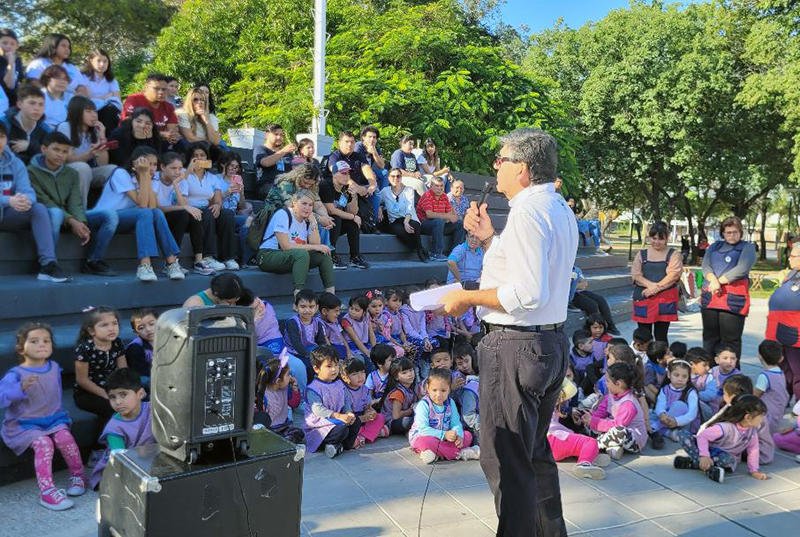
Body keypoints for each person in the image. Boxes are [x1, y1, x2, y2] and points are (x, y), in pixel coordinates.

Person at [439, 128, 577, 536]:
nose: (495, 167)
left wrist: (467, 298)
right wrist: (488, 241)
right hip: (547, 341)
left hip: (517, 344)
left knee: (505, 459)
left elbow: (526, 292)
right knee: (532, 453)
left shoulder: (529, 212)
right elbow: (528, 270)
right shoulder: (555, 206)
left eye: (501, 160)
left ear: (522, 168)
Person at [0, 322, 86, 510]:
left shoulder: (54, 367)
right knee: (44, 444)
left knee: (65, 438)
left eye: (46, 341)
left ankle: (78, 475)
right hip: (24, 424)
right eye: (35, 341)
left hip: (52, 418)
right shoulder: (16, 374)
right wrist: (20, 387)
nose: (42, 344)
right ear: (20, 348)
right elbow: (2, 398)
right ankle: (46, 492)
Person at [92, 146, 186, 281]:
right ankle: (145, 265)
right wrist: (144, 175)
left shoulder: (151, 178)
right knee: (145, 213)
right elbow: (142, 204)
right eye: (148, 163)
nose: (152, 168)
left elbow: (152, 206)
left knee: (156, 213)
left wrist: (145, 177)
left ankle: (171, 263)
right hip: (105, 217)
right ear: (136, 162)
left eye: (154, 164)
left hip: (127, 218)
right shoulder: (121, 173)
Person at [28, 131, 114, 277]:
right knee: (55, 214)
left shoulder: (71, 173)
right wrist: (71, 220)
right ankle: (48, 265)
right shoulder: (31, 172)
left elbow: (75, 202)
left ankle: (93, 260)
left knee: (110, 215)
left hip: (69, 218)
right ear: (43, 149)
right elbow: (43, 201)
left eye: (65, 151)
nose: (61, 155)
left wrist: (80, 221)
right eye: (56, 149)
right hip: (48, 216)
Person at [1, 125, 68, 282]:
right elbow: (9, 200)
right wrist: (8, 200)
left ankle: (48, 265)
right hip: (7, 205)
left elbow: (27, 190)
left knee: (37, 208)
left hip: (9, 214)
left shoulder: (15, 163)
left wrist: (25, 200)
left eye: (2, 136)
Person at [674, 394, 768, 483]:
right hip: (706, 450)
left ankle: (694, 463)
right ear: (748, 417)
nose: (762, 419)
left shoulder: (752, 432)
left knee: (729, 460)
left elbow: (753, 450)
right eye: (761, 416)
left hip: (723, 456)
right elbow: (703, 436)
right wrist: (704, 455)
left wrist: (754, 470)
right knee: (683, 434)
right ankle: (708, 468)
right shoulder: (725, 427)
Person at [257, 190, 336, 294]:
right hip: (268, 255)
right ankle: (298, 298)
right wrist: (314, 247)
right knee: (302, 254)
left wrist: (313, 222)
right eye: (304, 203)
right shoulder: (283, 214)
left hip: (290, 257)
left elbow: (316, 244)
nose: (307, 208)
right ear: (294, 203)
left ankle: (331, 296)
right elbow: (286, 246)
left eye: (310, 205)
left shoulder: (307, 220)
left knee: (324, 253)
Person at [88, 368, 155, 490]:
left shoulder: (152, 409)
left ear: (140, 394)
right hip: (118, 467)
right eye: (112, 397)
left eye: (123, 395)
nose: (118, 402)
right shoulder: (114, 428)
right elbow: (121, 459)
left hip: (146, 460)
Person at [701, 216, 756, 363]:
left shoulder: (747, 248)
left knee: (730, 340)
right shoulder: (714, 247)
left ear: (741, 232)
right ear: (723, 233)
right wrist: (713, 280)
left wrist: (718, 282)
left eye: (735, 232)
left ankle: (732, 377)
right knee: (710, 338)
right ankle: (710, 372)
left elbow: (742, 269)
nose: (732, 235)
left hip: (732, 300)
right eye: (728, 232)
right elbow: (705, 266)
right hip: (711, 298)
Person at [155, 152, 215, 275]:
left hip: (175, 215)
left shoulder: (181, 180)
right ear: (162, 167)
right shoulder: (155, 179)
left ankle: (199, 261)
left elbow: (183, 204)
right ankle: (172, 262)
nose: (177, 172)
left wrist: (176, 184)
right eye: (173, 168)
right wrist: (183, 207)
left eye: (179, 168)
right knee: (184, 213)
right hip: (158, 215)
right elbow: (156, 208)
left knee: (192, 214)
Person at [183, 142, 239, 270]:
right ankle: (208, 257)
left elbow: (217, 198)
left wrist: (218, 205)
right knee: (207, 213)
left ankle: (228, 257)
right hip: (189, 211)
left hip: (205, 210)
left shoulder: (213, 178)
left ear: (207, 159)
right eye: (195, 155)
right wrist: (188, 171)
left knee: (227, 214)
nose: (199, 158)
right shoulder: (183, 173)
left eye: (202, 155)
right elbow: (177, 192)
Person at [409, 367, 480, 463]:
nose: (438, 395)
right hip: (426, 436)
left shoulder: (450, 403)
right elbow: (423, 429)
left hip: (446, 438)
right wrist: (444, 434)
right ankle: (461, 453)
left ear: (449, 389)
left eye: (443, 391)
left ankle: (435, 453)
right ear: (427, 388)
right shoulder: (423, 405)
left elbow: (456, 423)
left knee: (467, 435)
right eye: (434, 390)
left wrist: (459, 435)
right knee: (425, 442)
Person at [303, 345, 363, 458]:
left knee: (356, 421)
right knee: (342, 430)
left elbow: (346, 399)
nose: (334, 369)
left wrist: (348, 411)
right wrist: (339, 416)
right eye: (329, 366)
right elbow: (318, 409)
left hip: (337, 420)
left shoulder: (339, 383)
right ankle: (332, 444)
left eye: (336, 365)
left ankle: (342, 446)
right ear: (316, 368)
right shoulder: (313, 388)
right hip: (320, 426)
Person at [56, 95, 116, 208]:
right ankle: (79, 213)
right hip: (65, 171)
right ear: (76, 113)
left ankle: (110, 208)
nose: (94, 115)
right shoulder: (65, 127)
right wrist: (89, 155)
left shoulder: (93, 131)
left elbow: (103, 164)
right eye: (88, 111)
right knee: (83, 167)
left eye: (95, 111)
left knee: (113, 170)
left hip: (88, 172)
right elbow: (67, 159)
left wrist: (102, 136)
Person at [73, 307, 126, 427]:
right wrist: (104, 393)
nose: (111, 328)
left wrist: (125, 389)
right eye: (104, 325)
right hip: (88, 393)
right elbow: (82, 380)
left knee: (133, 402)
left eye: (114, 323)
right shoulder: (85, 349)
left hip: (112, 388)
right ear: (92, 331)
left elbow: (123, 371)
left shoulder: (117, 343)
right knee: (110, 407)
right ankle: (106, 442)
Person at [631, 221, 683, 343]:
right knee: (643, 336)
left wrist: (655, 289)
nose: (656, 242)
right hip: (643, 296)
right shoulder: (641, 254)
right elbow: (636, 274)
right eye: (654, 238)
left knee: (661, 336)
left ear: (666, 239)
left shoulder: (673, 254)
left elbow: (673, 275)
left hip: (664, 299)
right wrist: (650, 286)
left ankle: (661, 360)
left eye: (661, 239)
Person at [548, 378, 609, 480]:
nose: (569, 400)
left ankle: (588, 455)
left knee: (578, 441)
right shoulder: (553, 403)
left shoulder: (544, 404)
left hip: (545, 444)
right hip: (554, 441)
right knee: (590, 442)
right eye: (567, 399)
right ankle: (584, 464)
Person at [319, 161, 369, 269]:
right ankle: (330, 257)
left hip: (335, 225)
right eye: (343, 173)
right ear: (334, 174)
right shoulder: (326, 185)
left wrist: (354, 195)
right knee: (336, 218)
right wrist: (354, 217)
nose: (347, 176)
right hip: (321, 224)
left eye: (348, 173)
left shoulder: (346, 188)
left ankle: (354, 258)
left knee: (352, 222)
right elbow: (331, 210)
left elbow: (352, 212)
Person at [766, 243, 800, 401]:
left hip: (795, 330)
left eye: (793, 256)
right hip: (781, 328)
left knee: (797, 369)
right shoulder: (793, 273)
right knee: (784, 367)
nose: (790, 258)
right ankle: (783, 398)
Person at [328, 130, 378, 232]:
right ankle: (362, 224)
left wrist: (372, 185)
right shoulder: (334, 156)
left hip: (357, 188)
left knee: (375, 195)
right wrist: (358, 188)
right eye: (346, 142)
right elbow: (337, 174)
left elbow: (367, 169)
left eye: (352, 142)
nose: (350, 144)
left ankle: (371, 225)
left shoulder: (358, 155)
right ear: (339, 143)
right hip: (339, 189)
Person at [379, 167, 428, 262]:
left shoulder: (408, 190)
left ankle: (419, 250)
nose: (395, 179)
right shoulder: (385, 191)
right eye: (392, 176)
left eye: (398, 176)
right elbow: (376, 200)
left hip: (409, 218)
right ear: (388, 178)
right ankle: (420, 248)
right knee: (400, 231)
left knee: (414, 227)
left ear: (401, 178)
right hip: (394, 221)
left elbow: (409, 207)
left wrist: (406, 222)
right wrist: (379, 209)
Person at [254, 351, 304, 443]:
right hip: (269, 430)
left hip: (283, 427)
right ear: (278, 381)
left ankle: (282, 442)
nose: (291, 376)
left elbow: (294, 404)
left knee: (299, 432)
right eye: (288, 374)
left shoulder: (285, 389)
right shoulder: (263, 395)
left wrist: (295, 387)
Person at [121, 74, 180, 151]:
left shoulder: (169, 107)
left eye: (164, 89)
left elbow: (172, 130)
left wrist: (173, 136)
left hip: (157, 142)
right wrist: (161, 134)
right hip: (133, 140)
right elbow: (129, 125)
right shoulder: (134, 99)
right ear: (146, 87)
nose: (161, 92)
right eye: (156, 89)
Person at [283, 289, 328, 388]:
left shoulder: (317, 322)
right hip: (294, 351)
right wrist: (310, 356)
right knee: (310, 366)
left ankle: (323, 387)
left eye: (311, 307)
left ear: (316, 308)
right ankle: (307, 390)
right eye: (303, 307)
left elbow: (321, 341)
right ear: (296, 307)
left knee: (327, 361)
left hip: (311, 349)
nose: (307, 310)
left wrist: (323, 353)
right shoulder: (293, 322)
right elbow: (296, 343)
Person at [342, 357, 389, 447]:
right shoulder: (344, 391)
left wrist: (370, 412)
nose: (360, 376)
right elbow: (346, 415)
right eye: (354, 374)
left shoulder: (365, 389)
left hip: (363, 418)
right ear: (345, 377)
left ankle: (362, 437)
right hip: (352, 420)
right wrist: (363, 418)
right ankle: (375, 433)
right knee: (347, 428)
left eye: (362, 372)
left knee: (380, 417)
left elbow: (367, 407)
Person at [416, 176, 464, 260]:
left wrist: (450, 217)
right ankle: (435, 253)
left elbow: (450, 214)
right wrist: (447, 216)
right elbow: (429, 214)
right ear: (431, 186)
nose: (439, 188)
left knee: (459, 224)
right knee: (439, 221)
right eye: (436, 186)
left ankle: (455, 253)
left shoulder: (444, 196)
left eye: (441, 186)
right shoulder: (427, 195)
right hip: (425, 225)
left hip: (440, 225)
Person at [651, 360, 699, 442]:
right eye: (676, 375)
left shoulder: (691, 392)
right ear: (669, 375)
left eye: (684, 376)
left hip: (682, 423)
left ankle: (653, 428)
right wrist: (662, 414)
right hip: (665, 419)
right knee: (649, 413)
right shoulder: (665, 389)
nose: (680, 379)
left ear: (688, 378)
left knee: (680, 405)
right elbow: (660, 404)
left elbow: (692, 414)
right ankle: (668, 433)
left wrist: (676, 421)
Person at [1, 84, 51, 165]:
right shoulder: (3, 124)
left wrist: (30, 146)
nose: (37, 108)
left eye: (41, 104)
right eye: (32, 103)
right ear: (19, 104)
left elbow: (52, 156)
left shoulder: (45, 129)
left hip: (36, 173)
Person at [569, 265, 620, 335]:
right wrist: (576, 285)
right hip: (570, 295)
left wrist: (573, 285)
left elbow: (584, 284)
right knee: (591, 305)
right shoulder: (563, 270)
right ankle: (593, 328)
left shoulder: (576, 269)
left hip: (579, 291)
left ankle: (610, 326)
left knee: (600, 299)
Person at [80, 49, 122, 134]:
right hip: (89, 111)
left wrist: (97, 98)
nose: (102, 64)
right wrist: (106, 97)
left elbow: (117, 101)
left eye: (105, 61)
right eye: (98, 61)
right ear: (91, 61)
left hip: (109, 112)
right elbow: (87, 98)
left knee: (111, 110)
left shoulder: (112, 80)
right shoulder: (83, 77)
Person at [754, 339, 789, 436]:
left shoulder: (765, 376)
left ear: (760, 357)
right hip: (777, 415)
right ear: (781, 359)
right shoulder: (781, 373)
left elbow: (754, 395)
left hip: (765, 416)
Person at [377, 357, 420, 435]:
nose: (410, 374)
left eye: (411, 370)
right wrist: (412, 409)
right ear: (396, 377)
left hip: (405, 417)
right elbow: (396, 416)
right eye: (404, 373)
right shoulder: (398, 392)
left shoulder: (414, 387)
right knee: (408, 422)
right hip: (392, 422)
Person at [176, 87, 222, 154]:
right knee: (203, 145)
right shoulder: (183, 114)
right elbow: (190, 138)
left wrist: (206, 121)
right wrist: (206, 141)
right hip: (190, 148)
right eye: (195, 100)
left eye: (202, 100)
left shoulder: (212, 117)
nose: (199, 102)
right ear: (190, 102)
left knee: (221, 149)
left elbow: (215, 141)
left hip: (208, 148)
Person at [254, 123, 295, 199]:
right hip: (267, 186)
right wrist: (283, 151)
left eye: (281, 135)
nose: (279, 137)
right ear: (267, 135)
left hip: (287, 185)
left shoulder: (287, 153)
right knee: (285, 190)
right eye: (276, 134)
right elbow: (265, 163)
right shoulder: (261, 149)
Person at [354, 126, 388, 211]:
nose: (372, 139)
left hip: (371, 173)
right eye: (369, 137)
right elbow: (361, 165)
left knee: (385, 172)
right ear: (363, 137)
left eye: (374, 137)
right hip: (359, 174)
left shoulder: (376, 149)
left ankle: (383, 198)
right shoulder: (359, 146)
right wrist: (372, 175)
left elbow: (382, 166)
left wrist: (374, 153)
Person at [125, 309, 157, 390]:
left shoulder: (168, 340)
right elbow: (141, 376)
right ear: (136, 332)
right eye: (141, 328)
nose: (148, 329)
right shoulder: (135, 348)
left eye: (152, 324)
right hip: (145, 386)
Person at [341, 295, 376, 363]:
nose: (353, 312)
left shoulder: (367, 316)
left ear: (364, 311)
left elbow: (371, 333)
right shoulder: (346, 320)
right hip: (353, 347)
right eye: (351, 308)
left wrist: (375, 350)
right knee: (365, 360)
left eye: (357, 310)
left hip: (366, 344)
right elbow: (356, 340)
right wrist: (368, 354)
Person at [710, 346, 741, 413]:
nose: (729, 361)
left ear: (736, 360)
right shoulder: (713, 371)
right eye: (725, 358)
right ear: (717, 360)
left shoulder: (738, 377)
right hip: (712, 402)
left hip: (728, 408)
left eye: (732, 358)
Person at [40, 65, 69, 130]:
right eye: (58, 78)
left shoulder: (72, 99)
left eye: (65, 79)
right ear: (47, 80)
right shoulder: (38, 96)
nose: (63, 82)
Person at [0, 29, 24, 110]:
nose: (9, 46)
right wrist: (11, 63)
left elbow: (19, 81)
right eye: (4, 43)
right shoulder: (12, 60)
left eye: (12, 44)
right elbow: (9, 85)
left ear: (16, 46)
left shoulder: (18, 60)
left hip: (13, 105)